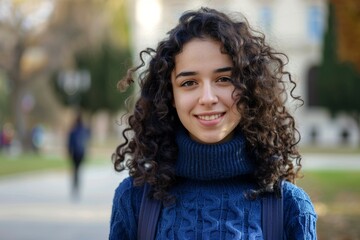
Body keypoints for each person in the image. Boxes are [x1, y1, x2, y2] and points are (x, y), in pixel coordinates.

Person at [110, 7, 317, 239]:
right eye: (189, 83)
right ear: (170, 96)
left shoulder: (289, 207)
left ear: (249, 89)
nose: (208, 98)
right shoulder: (134, 200)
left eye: (224, 79)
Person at [67, 113, 90, 199]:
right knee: (78, 170)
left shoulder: (73, 130)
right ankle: (77, 186)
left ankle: (75, 186)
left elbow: (70, 142)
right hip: (81, 153)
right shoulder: (84, 130)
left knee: (75, 170)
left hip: (75, 153)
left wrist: (69, 152)